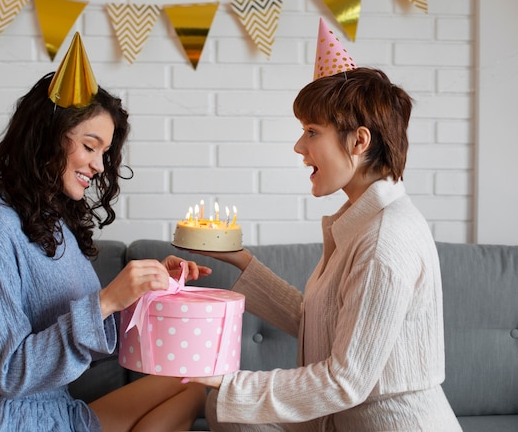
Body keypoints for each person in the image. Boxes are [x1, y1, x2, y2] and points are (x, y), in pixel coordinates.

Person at [0, 34, 209, 432]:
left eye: (105, 152)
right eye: (90, 146)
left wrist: (150, 292)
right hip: (17, 419)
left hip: (59, 410)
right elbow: (12, 372)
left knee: (190, 386)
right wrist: (105, 300)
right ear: (48, 137)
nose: (100, 165)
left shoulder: (53, 221)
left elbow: (97, 339)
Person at [188, 67, 462, 431]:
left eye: (312, 132)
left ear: (358, 142)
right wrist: (241, 260)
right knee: (226, 410)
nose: (300, 147)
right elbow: (321, 322)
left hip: (391, 424)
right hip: (341, 421)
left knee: (227, 402)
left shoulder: (384, 240)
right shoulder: (361, 222)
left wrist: (227, 380)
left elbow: (344, 380)